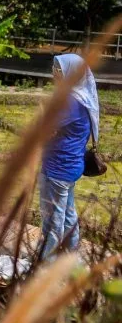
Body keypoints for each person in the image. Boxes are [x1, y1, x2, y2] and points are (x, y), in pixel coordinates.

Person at [37, 53, 97, 259]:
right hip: (71, 167)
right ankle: (71, 252)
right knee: (68, 213)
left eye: (59, 69)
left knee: (53, 218)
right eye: (54, 67)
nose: (54, 72)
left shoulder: (70, 101)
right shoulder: (82, 97)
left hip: (57, 169)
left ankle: (47, 262)